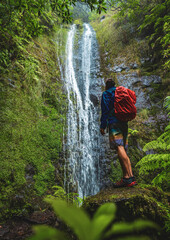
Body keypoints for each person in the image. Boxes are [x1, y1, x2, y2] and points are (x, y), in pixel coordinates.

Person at [100, 78, 137, 187]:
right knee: (122, 149)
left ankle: (128, 178)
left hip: (114, 123)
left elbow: (105, 110)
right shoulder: (119, 92)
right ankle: (129, 176)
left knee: (119, 147)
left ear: (106, 85)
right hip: (124, 122)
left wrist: (103, 126)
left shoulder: (106, 93)